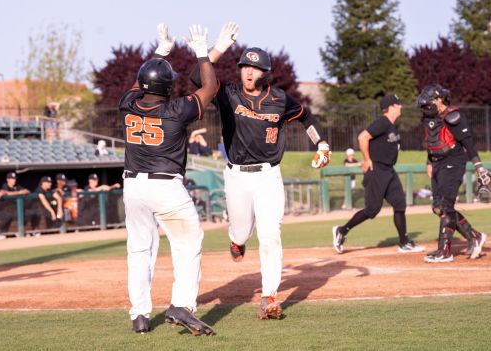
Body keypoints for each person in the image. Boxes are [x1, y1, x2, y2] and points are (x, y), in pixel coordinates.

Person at [190, 22, 331, 320]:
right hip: (237, 175)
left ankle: (269, 297)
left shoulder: (279, 99)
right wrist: (218, 49)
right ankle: (236, 239)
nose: (249, 72)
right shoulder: (226, 93)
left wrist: (322, 144)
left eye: (255, 69)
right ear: (240, 70)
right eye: (244, 67)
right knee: (242, 231)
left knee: (270, 236)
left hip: (269, 175)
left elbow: (307, 118)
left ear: (264, 73)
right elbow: (196, 78)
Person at [120, 23, 216, 335]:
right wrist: (202, 52)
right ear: (167, 88)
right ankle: (182, 304)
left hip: (133, 185)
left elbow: (139, 82)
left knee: (139, 250)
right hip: (166, 187)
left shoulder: (128, 103)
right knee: (188, 243)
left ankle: (139, 315)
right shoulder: (176, 110)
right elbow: (210, 88)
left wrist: (161, 52)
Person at [332, 94, 425, 255]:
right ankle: (342, 230)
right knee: (372, 210)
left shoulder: (392, 126)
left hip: (388, 170)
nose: (401, 107)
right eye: (398, 104)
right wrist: (367, 160)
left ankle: (404, 243)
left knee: (400, 204)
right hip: (377, 171)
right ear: (391, 107)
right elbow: (363, 137)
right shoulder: (382, 122)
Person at [416, 84, 488, 262]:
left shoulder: (453, 116)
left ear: (440, 99)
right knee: (439, 208)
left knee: (446, 206)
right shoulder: (428, 117)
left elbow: (468, 144)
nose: (427, 106)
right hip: (437, 163)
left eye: (430, 101)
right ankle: (474, 236)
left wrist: (480, 168)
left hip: (453, 162)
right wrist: (429, 161)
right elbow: (431, 140)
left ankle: (444, 252)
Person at [0, 172, 30, 238]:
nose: (14, 180)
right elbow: (6, 192)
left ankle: (20, 231)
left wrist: (23, 191)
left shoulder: (17, 186)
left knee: (27, 213)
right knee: (8, 215)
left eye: (14, 178)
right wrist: (19, 192)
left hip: (15, 208)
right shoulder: (5, 186)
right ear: (8, 180)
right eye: (12, 179)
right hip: (4, 209)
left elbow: (27, 191)